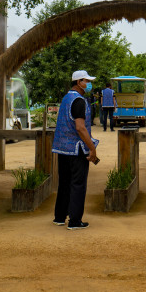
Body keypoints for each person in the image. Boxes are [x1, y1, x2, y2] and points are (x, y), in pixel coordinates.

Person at [52, 70, 100, 230]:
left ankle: (59, 217)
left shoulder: (66, 98)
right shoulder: (79, 101)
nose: (89, 84)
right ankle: (74, 221)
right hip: (77, 149)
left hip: (62, 149)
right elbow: (80, 127)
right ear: (79, 82)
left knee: (64, 183)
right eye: (87, 81)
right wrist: (92, 148)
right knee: (78, 184)